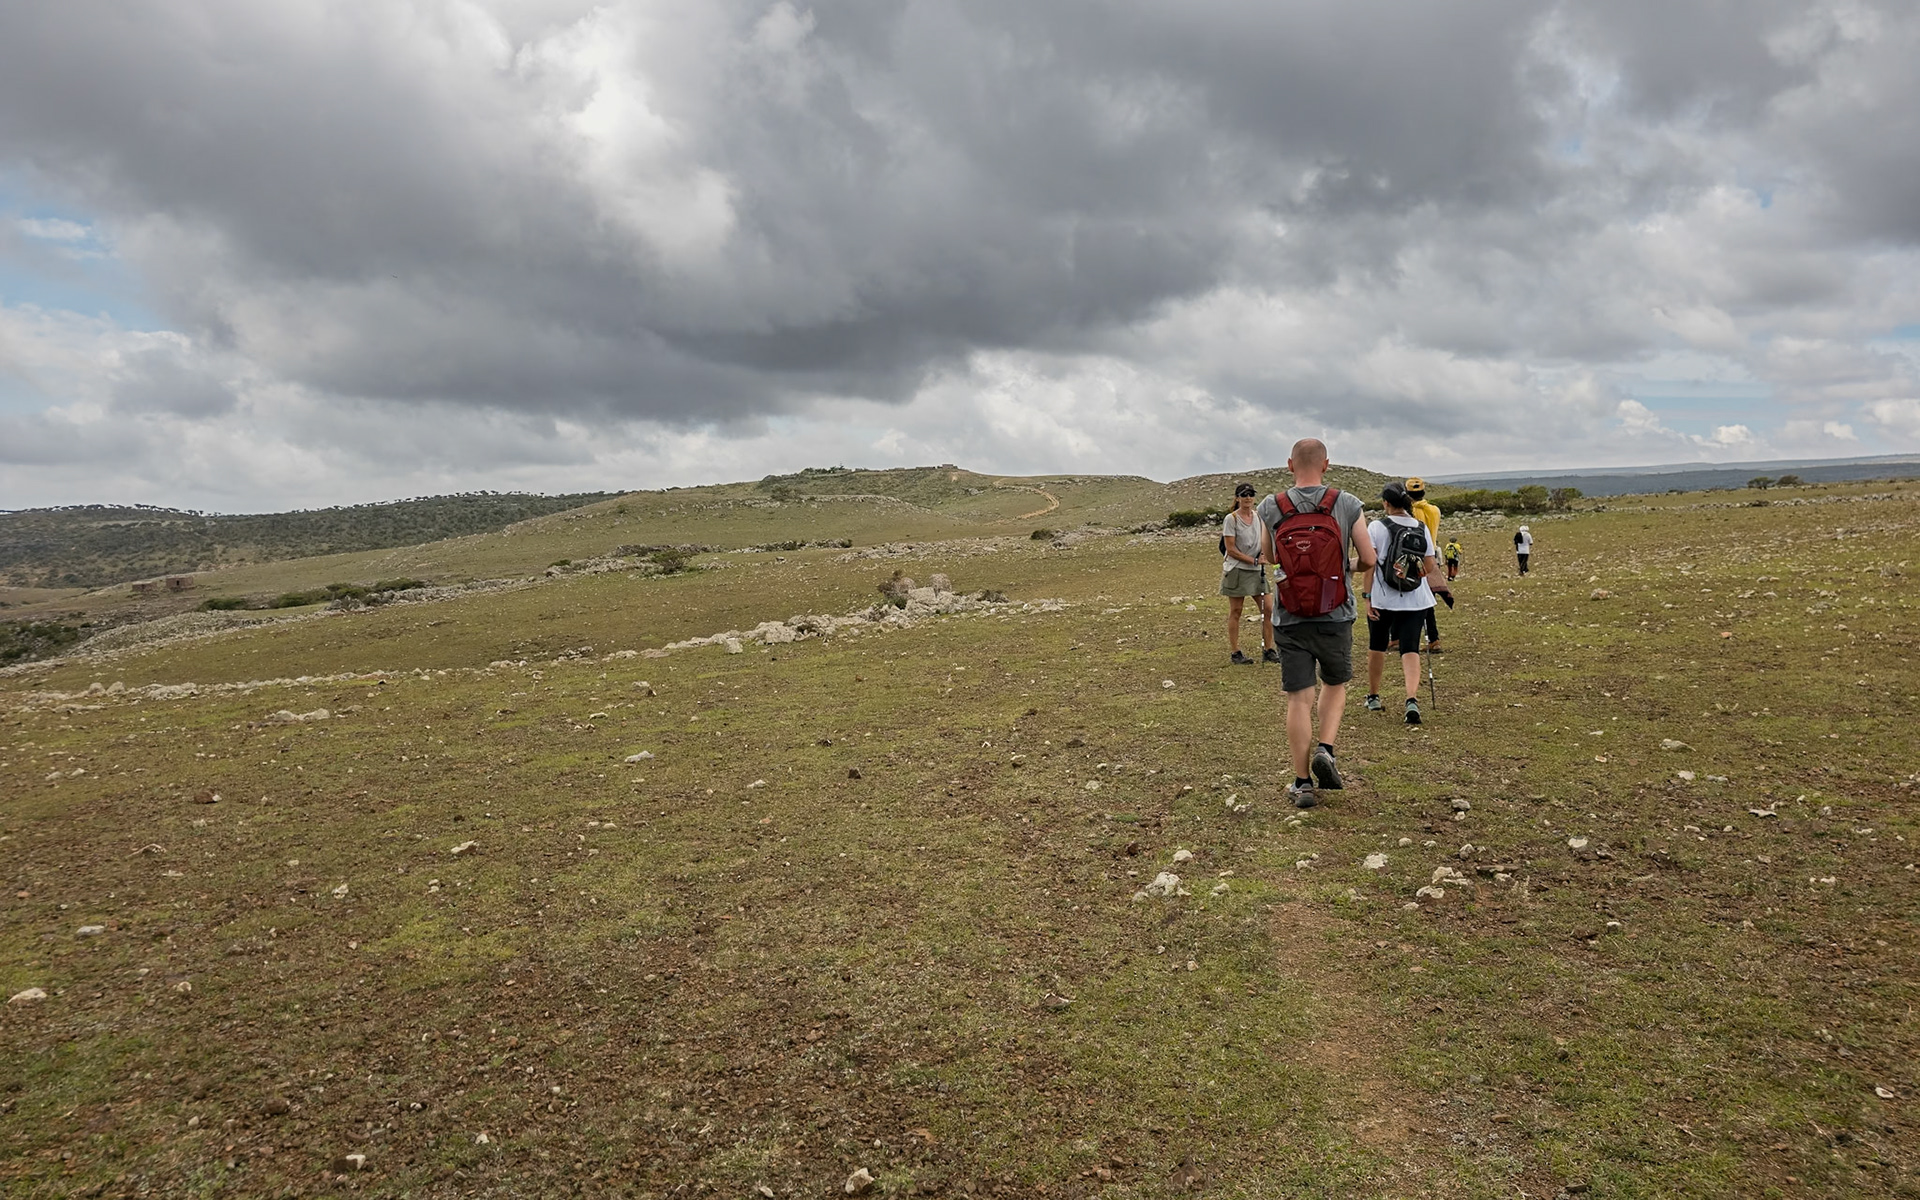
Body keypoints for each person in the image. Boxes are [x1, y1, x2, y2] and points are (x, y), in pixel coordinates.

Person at [1256, 438, 1377, 809]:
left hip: (1289, 616)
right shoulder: (1347, 503)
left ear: (1290, 464)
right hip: (1335, 613)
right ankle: (1326, 748)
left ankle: (1302, 783)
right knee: (1334, 684)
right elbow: (1369, 558)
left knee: (1298, 698)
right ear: (1326, 464)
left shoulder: (1270, 506)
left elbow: (1269, 557)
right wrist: (1345, 566)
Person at [1363, 483, 1452, 724]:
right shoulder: (1420, 527)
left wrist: (1367, 597)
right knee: (1410, 649)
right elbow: (1429, 566)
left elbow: (1369, 564)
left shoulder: (1376, 526)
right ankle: (1411, 699)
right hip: (1416, 599)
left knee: (1377, 645)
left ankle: (1374, 696)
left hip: (1383, 598)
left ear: (1386, 503)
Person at [1219, 483, 1279, 665]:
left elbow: (1264, 540)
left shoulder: (1259, 517)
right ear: (1237, 498)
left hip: (1256, 571)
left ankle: (1269, 649)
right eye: (1244, 494)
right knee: (1236, 610)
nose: (1248, 498)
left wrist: (1264, 554)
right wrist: (1253, 560)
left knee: (1268, 609)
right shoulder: (1231, 519)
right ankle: (1235, 652)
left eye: (1251, 494)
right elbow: (1231, 549)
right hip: (1237, 570)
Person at [1404, 477, 1445, 654]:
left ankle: (1400, 637)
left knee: (1408, 597)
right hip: (1432, 557)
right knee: (1428, 600)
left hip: (1414, 558)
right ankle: (1433, 638)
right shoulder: (1434, 510)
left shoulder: (1409, 512)